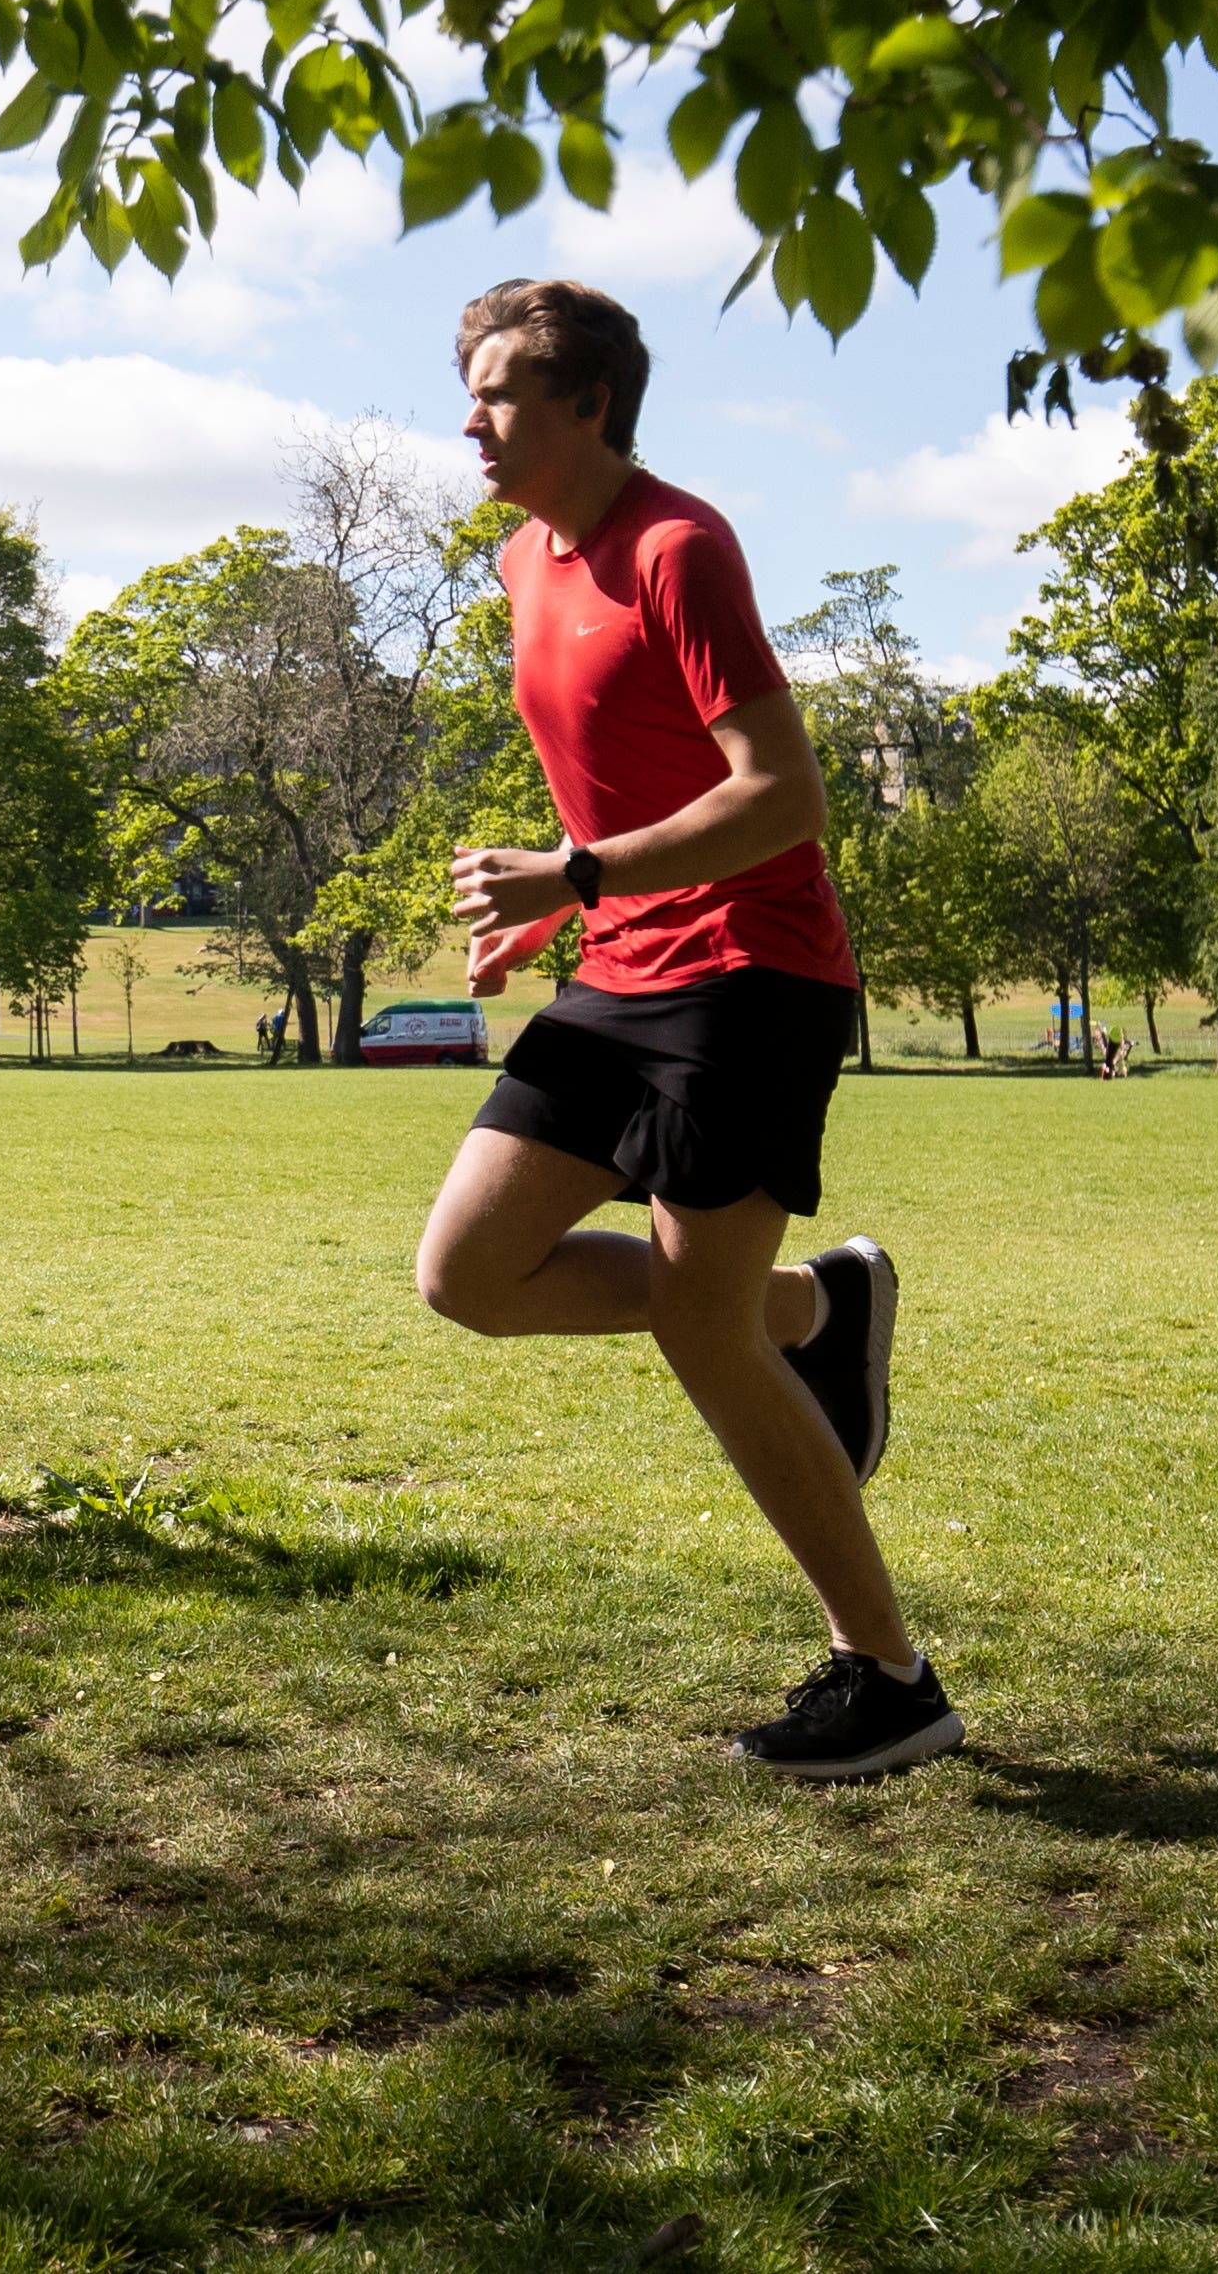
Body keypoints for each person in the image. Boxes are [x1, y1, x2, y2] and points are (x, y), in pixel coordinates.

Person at [416, 277, 955, 1781]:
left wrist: (579, 871)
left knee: (693, 1327)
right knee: (465, 1270)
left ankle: (890, 1677)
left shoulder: (679, 543)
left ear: (594, 403)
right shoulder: (524, 558)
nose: (474, 414)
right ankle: (816, 1311)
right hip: (624, 966)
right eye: (469, 385)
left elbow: (782, 792)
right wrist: (565, 902)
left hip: (753, 971)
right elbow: (629, 782)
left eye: (507, 387)